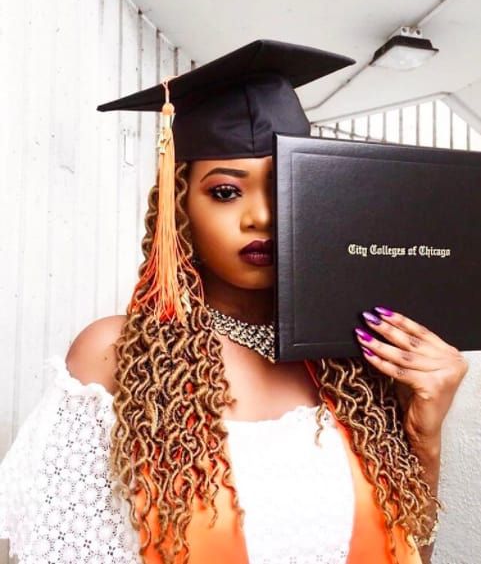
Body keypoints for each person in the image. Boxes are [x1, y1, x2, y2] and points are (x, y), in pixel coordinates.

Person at [0, 40, 468, 564]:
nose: (261, 217)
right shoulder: (119, 353)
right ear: (180, 208)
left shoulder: (352, 361)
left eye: (283, 184)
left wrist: (424, 435)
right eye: (226, 191)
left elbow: (411, 554)